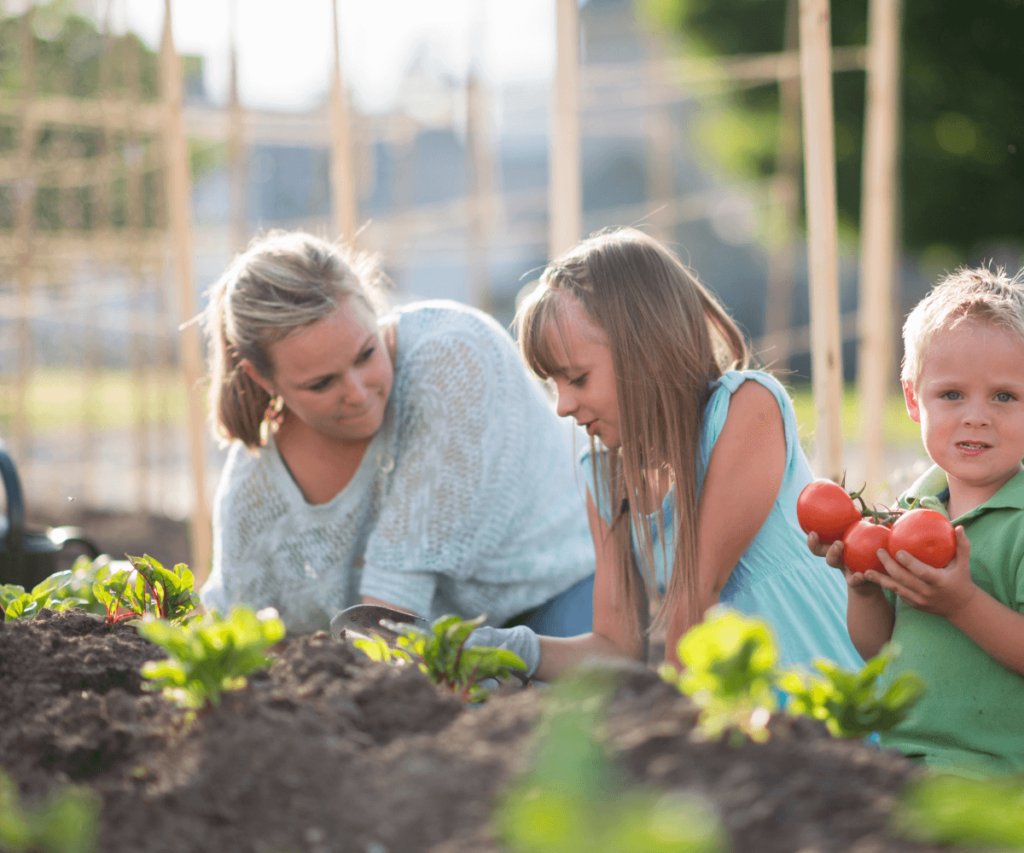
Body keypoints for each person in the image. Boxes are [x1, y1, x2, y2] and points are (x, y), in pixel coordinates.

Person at [471, 227, 863, 680]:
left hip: (827, 699)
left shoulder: (745, 409)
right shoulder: (604, 475)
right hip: (743, 715)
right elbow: (616, 647)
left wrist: (676, 729)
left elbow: (697, 594)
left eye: (576, 379)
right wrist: (507, 646)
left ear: (645, 350)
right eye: (552, 384)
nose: (562, 406)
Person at [198, 230, 597, 636]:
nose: (357, 393)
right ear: (262, 378)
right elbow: (240, 630)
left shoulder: (454, 359)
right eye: (322, 384)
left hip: (565, 575)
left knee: (566, 699)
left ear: (373, 309)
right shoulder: (253, 493)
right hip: (443, 636)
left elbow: (389, 618)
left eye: (366, 354)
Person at [810, 266, 1024, 778]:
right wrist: (861, 586)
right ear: (912, 399)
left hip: (998, 782)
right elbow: (880, 647)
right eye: (952, 395)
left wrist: (963, 604)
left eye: (1005, 396)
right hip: (903, 765)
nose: (977, 416)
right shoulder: (908, 511)